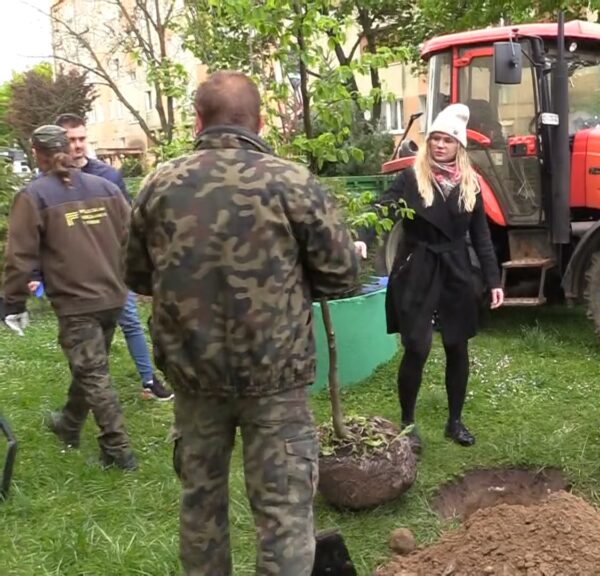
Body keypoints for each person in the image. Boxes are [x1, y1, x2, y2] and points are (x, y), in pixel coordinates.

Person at [125, 71, 359, 575]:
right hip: (277, 380)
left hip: (194, 380)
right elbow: (343, 276)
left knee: (200, 507)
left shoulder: (159, 185)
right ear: (260, 120)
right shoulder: (291, 182)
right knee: (284, 514)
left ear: (197, 119)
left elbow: (138, 275)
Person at [354, 103, 504, 452]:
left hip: (455, 269)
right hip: (417, 265)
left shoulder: (471, 184)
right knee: (418, 347)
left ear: (458, 146)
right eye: (434, 138)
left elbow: (481, 237)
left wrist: (494, 281)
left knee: (457, 345)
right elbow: (382, 208)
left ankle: (454, 421)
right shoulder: (410, 178)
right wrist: (362, 234)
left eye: (447, 140)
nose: (439, 145)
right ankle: (407, 422)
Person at [3, 125, 137, 471]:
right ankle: (69, 424)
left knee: (92, 372)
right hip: (113, 294)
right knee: (88, 364)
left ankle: (118, 450)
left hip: (78, 301)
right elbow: (134, 237)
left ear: (36, 153)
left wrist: (12, 303)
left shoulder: (34, 196)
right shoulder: (106, 188)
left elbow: (19, 257)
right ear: (67, 148)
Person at [47, 112, 172, 401]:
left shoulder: (107, 175)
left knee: (129, 319)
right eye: (71, 140)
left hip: (111, 265)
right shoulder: (49, 182)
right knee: (80, 332)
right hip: (73, 272)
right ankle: (86, 395)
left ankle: (149, 379)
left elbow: (127, 222)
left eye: (81, 138)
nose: (77, 145)